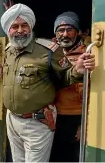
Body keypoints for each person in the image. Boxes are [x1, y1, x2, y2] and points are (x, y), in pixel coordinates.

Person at [0, 3, 95, 162]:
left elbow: (64, 77)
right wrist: (1, 71)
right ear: (8, 30)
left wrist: (78, 70)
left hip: (37, 122)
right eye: (15, 26)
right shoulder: (8, 51)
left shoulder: (49, 51)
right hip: (12, 119)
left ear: (31, 27)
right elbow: (17, 77)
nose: (20, 30)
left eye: (24, 25)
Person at [50, 11, 90, 162]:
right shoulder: (50, 54)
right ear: (56, 33)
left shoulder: (88, 54)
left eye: (69, 29)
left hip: (77, 120)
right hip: (53, 118)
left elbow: (93, 92)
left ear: (77, 32)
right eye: (61, 30)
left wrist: (85, 124)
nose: (65, 34)